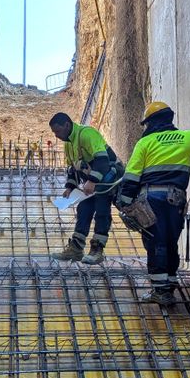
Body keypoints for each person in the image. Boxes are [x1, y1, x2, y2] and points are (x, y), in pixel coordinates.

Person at [117, 101, 190, 304]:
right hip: (177, 201)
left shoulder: (145, 144)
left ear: (151, 123)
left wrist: (124, 204)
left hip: (151, 201)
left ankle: (160, 291)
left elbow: (131, 177)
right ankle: (170, 284)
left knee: (156, 243)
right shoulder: (186, 138)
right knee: (171, 241)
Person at [49, 112, 124, 265]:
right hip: (95, 181)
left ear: (67, 125)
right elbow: (73, 168)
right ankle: (76, 248)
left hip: (108, 177)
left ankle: (97, 249)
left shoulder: (87, 134)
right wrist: (70, 187)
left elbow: (102, 160)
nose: (56, 135)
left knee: (102, 210)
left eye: (57, 131)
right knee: (84, 209)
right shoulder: (68, 143)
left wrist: (92, 181)